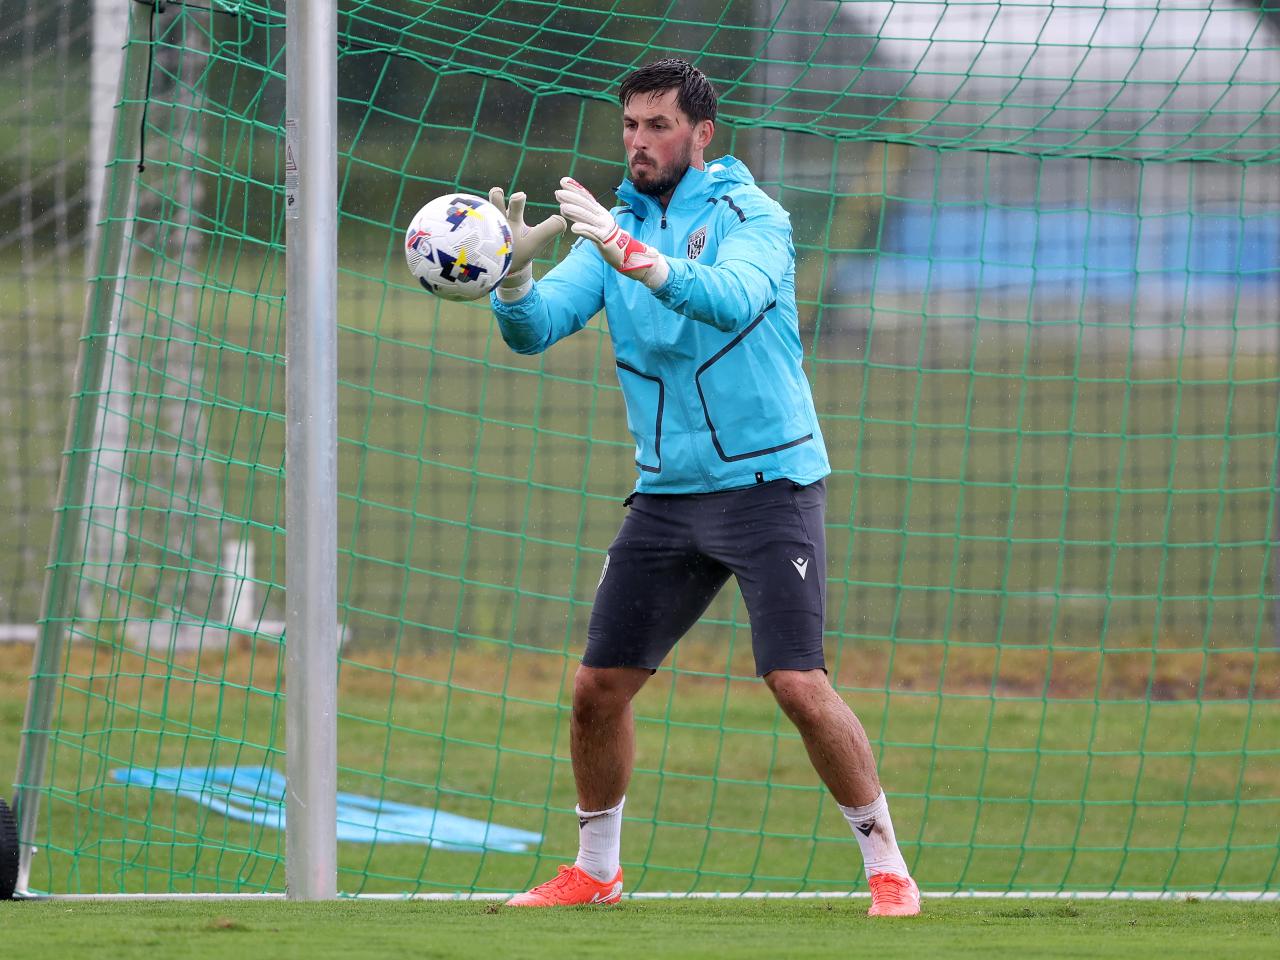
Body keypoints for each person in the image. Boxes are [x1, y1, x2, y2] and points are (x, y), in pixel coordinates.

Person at [487, 59, 920, 917]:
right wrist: (512, 275)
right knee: (596, 691)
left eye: (657, 125)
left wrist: (633, 255)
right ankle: (596, 870)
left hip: (769, 484)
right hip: (667, 493)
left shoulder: (751, 216)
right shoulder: (611, 227)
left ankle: (888, 866)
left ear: (702, 133)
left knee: (797, 682)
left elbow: (734, 298)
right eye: (630, 126)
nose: (639, 142)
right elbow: (536, 331)